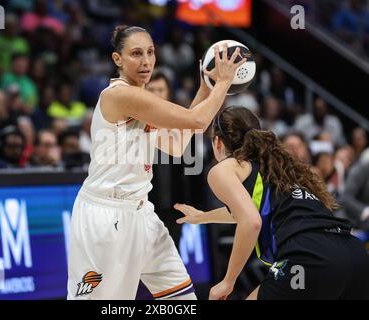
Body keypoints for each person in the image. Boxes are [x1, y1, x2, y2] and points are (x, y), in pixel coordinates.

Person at [66, 25, 245, 300]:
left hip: (141, 213)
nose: (146, 61)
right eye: (136, 54)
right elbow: (197, 121)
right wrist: (223, 83)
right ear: (118, 60)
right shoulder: (120, 95)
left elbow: (177, 144)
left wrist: (205, 88)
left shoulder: (140, 99)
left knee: (182, 299)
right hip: (105, 214)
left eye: (150, 52)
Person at [174, 106, 369, 300]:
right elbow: (251, 211)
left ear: (217, 142)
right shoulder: (277, 169)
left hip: (310, 257)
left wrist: (228, 281)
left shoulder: (224, 169)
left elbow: (251, 221)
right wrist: (203, 217)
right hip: (353, 254)